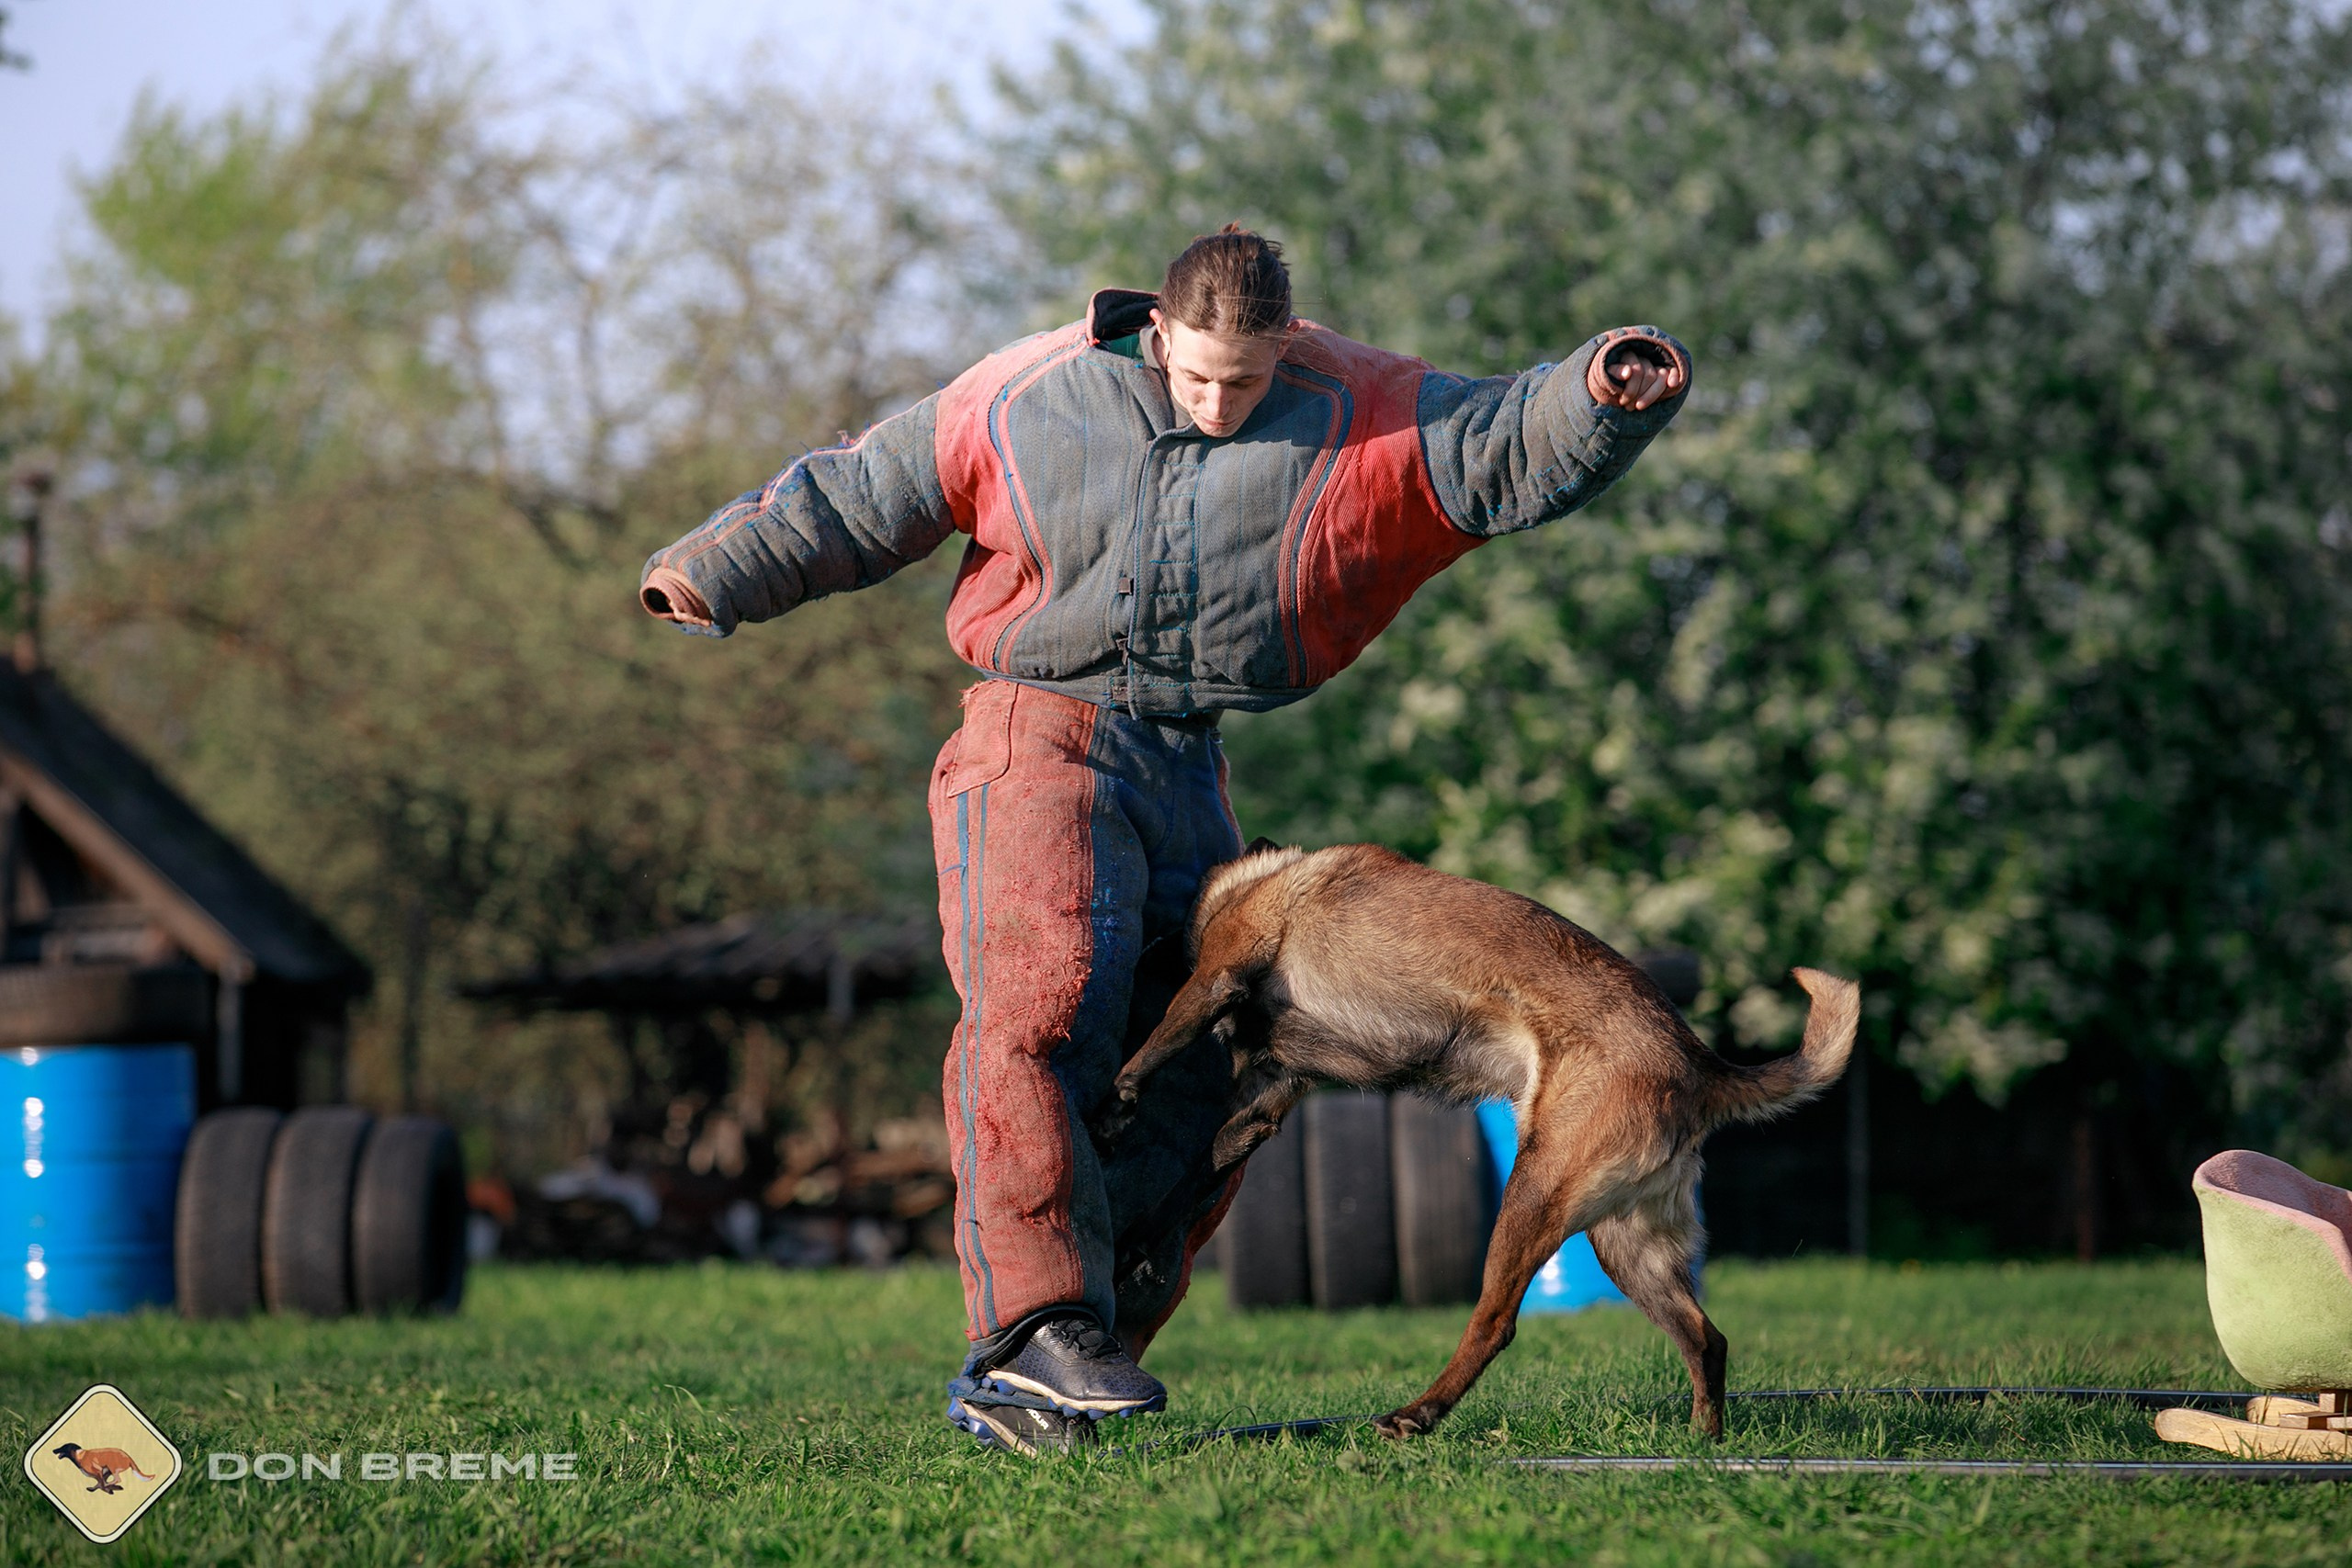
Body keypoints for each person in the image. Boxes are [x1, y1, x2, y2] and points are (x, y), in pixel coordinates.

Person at [640, 226, 1690, 1455]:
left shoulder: (1349, 405)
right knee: (1048, 1003)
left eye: (1244, 383)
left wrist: (1602, 392)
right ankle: (1036, 1330)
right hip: (1035, 735)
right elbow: (867, 490)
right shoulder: (1032, 391)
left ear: (1284, 346)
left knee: (1225, 1055)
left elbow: (1497, 442)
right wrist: (714, 567)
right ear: (1158, 334)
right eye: (1195, 377)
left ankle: (1082, 1354)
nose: (1218, 402)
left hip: (1189, 766)